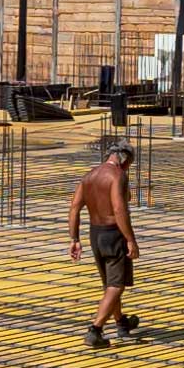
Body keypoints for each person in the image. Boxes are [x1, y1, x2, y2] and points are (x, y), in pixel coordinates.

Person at [74, 140, 138, 349]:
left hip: (95, 234)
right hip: (113, 234)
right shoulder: (117, 176)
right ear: (125, 159)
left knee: (109, 283)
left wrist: (74, 239)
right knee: (116, 285)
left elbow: (74, 207)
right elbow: (120, 209)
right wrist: (130, 239)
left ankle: (121, 323)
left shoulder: (90, 175)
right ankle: (96, 330)